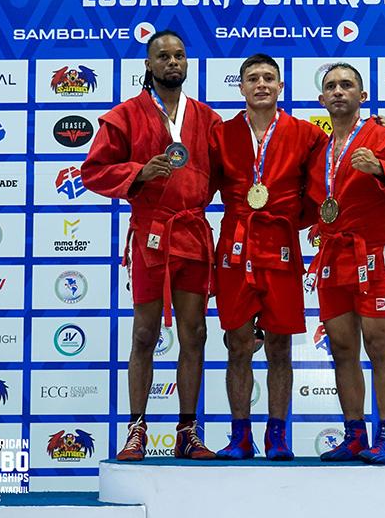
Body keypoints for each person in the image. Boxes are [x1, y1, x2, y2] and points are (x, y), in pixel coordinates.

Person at [81, 30, 220, 461]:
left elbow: (234, 166)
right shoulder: (125, 115)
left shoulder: (207, 118)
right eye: (163, 56)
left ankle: (188, 431)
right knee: (144, 333)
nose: (172, 62)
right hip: (152, 235)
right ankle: (136, 428)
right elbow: (93, 171)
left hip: (192, 233)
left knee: (195, 333)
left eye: (179, 55)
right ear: (148, 64)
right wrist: (138, 173)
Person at [306, 63, 385, 464]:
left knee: (379, 346)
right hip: (333, 256)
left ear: (362, 96)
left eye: (347, 85)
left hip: (374, 254)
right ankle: (354, 435)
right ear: (321, 100)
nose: (338, 91)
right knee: (342, 348)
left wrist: (380, 168)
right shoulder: (319, 151)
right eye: (331, 86)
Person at [209, 54, 326, 460]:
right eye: (253, 78)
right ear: (241, 87)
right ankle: (240, 435)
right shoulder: (221, 134)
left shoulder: (308, 134)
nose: (261, 84)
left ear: (281, 87)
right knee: (238, 344)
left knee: (280, 346)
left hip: (279, 244)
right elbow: (200, 184)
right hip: (236, 245)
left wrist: (293, 219)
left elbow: (324, 185)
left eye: (269, 78)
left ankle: (277, 435)